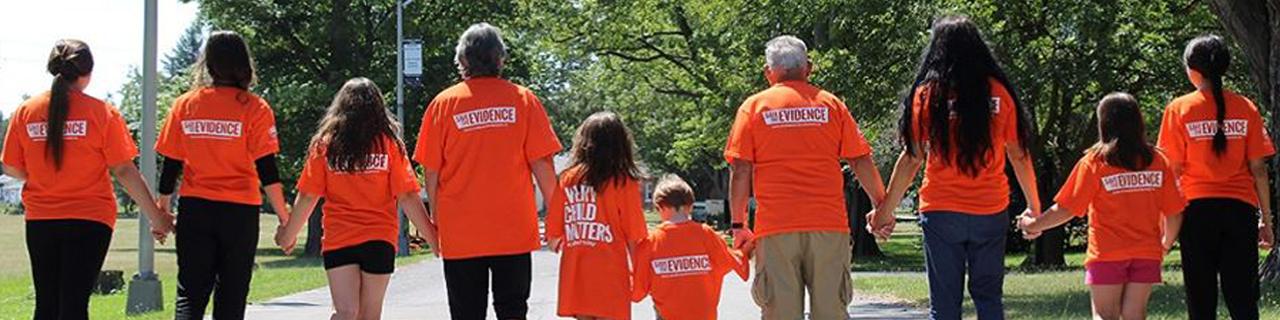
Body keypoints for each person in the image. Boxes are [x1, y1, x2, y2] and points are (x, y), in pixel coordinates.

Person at [867, 16, 1039, 320]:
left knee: (944, 306)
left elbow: (912, 158)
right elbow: (1018, 154)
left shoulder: (928, 95)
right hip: (990, 209)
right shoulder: (999, 93)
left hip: (941, 211)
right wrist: (1033, 207)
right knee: (989, 299)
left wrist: (885, 211)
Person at [2, 39, 174, 320]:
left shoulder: (25, 112)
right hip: (90, 219)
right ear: (88, 72)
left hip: (41, 219)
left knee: (46, 304)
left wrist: (40, 175)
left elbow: (11, 167)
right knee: (74, 304)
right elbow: (123, 170)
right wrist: (157, 217)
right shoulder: (101, 113)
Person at [724, 35, 887, 320]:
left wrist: (739, 224)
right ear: (808, 68)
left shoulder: (753, 108)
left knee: (780, 313)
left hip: (775, 228)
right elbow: (859, 159)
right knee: (831, 312)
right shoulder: (831, 105)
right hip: (828, 225)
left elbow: (740, 171)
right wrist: (881, 207)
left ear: (768, 72)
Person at [414, 22, 561, 320]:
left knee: (466, 314)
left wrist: (436, 223)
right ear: (500, 59)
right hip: (513, 231)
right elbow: (543, 166)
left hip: (461, 233)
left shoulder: (443, 105)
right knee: (513, 311)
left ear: (463, 61)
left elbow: (432, 174)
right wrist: (558, 220)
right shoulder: (524, 100)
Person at [274, 78, 440, 320]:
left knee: (348, 312)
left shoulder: (327, 145)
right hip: (377, 239)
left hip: (343, 239)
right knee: (363, 314)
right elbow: (406, 195)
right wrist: (433, 237)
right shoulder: (388, 145)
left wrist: (288, 234)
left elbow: (310, 195)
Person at [155, 31, 292, 320]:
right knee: (232, 294)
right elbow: (267, 171)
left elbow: (171, 165)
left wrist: (162, 211)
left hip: (196, 210)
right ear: (244, 63)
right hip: (239, 214)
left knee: (190, 293)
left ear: (209, 64)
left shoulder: (185, 105)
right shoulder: (255, 108)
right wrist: (284, 218)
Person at [1017, 93, 1185, 320]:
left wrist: (1034, 224)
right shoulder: (1157, 160)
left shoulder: (1095, 161)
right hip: (1147, 252)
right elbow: (1174, 212)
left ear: (1103, 123)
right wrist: (1164, 246)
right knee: (1135, 315)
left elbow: (1067, 208)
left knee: (1105, 316)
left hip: (1107, 253)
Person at [1158, 34, 1274, 320]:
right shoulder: (1246, 107)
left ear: (1193, 71)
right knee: (1243, 299)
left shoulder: (1178, 109)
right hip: (1241, 212)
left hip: (1195, 212)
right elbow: (1259, 169)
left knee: (1200, 299)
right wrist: (1266, 220)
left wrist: (1163, 224)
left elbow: (1171, 170)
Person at [545, 111, 648, 320]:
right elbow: (634, 235)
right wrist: (639, 278)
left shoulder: (567, 179)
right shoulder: (623, 181)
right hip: (611, 274)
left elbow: (554, 234)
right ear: (621, 145)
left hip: (576, 274)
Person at [631, 174, 749, 320]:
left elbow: (637, 291)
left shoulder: (650, 242)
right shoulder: (705, 234)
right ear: (691, 206)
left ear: (658, 208)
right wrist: (745, 249)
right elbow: (729, 261)